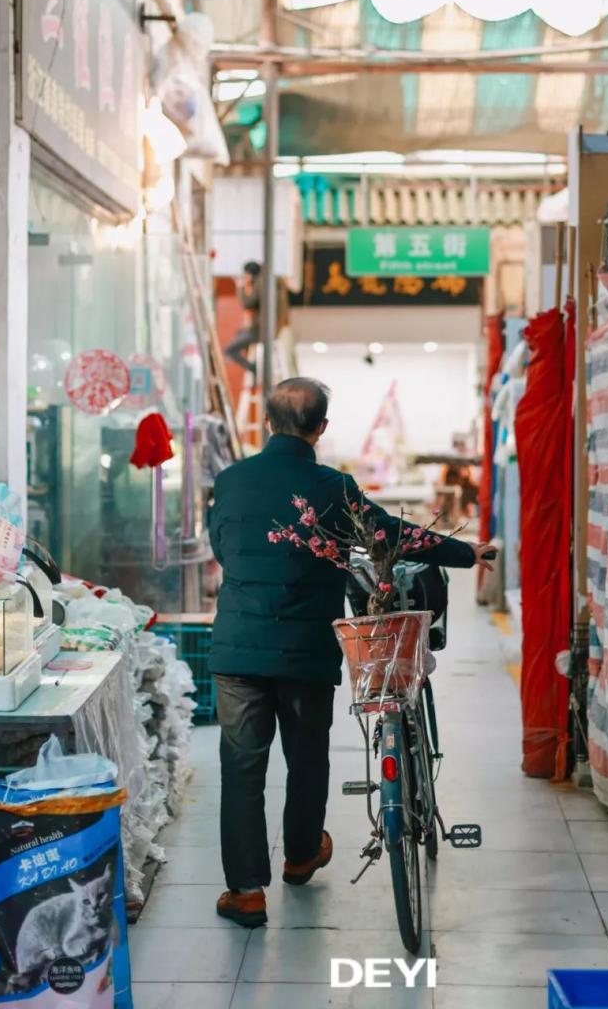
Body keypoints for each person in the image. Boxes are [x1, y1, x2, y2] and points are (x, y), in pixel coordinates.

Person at [207, 376, 491, 929]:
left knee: (242, 767)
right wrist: (468, 552)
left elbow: (223, 548)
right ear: (321, 428)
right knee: (307, 756)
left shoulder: (232, 480)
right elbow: (390, 536)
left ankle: (245, 891)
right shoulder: (332, 488)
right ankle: (301, 854)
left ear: (268, 423)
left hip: (237, 651)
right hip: (305, 649)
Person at [223, 260, 262, 379]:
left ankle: (252, 368)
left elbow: (246, 303)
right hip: (257, 328)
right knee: (239, 334)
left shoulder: (259, 285)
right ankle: (251, 365)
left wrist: (239, 285)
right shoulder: (262, 283)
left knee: (229, 350)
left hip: (258, 329)